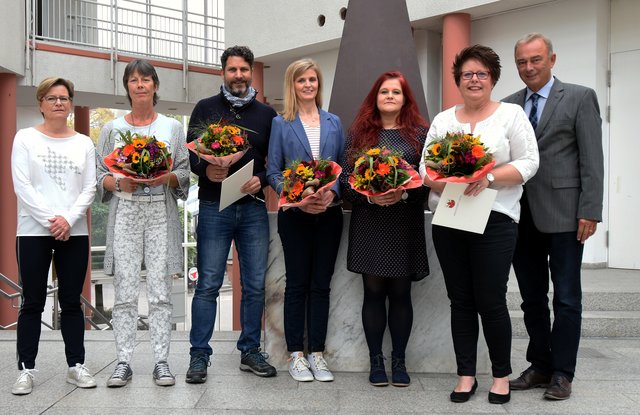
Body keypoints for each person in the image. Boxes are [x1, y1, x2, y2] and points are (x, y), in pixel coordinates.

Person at [420, 45, 539, 404]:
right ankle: (466, 375)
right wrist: (451, 180)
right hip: (450, 217)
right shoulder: (443, 120)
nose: (474, 80)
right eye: (467, 74)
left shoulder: (511, 115)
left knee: (491, 299)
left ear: (493, 79)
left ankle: (500, 375)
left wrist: (487, 178)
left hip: (496, 219)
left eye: (481, 74)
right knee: (461, 300)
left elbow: (530, 162)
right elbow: (427, 169)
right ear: (458, 80)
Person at [504, 33, 604, 401]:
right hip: (519, 214)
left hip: (565, 214)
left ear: (552, 59)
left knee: (566, 297)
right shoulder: (510, 105)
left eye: (535, 60)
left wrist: (590, 210)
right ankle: (540, 365)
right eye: (521, 62)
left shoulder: (579, 97)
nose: (528, 68)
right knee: (531, 296)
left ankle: (563, 372)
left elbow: (592, 158)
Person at [185, 45, 277, 383]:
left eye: (243, 70)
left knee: (254, 285)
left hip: (252, 209)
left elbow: (274, 163)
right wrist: (206, 171)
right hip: (213, 207)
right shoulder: (205, 108)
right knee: (208, 284)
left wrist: (262, 180)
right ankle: (198, 356)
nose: (238, 75)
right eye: (232, 69)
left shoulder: (267, 115)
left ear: (251, 72)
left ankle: (250, 350)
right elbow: (192, 154)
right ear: (222, 72)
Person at [96, 60, 190, 387]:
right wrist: (117, 183)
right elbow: (100, 175)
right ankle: (123, 360)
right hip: (126, 211)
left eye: (145, 80)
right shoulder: (111, 129)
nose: (140, 85)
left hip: (159, 213)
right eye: (133, 80)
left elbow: (183, 172)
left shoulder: (171, 128)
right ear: (127, 87)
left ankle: (161, 360)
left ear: (155, 86)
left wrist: (167, 177)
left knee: (161, 291)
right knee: (124, 290)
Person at [340, 71, 429, 388]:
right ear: (375, 98)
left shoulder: (419, 135)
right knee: (373, 293)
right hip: (369, 222)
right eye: (384, 92)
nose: (390, 96)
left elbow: (426, 182)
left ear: (405, 98)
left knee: (402, 293)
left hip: (404, 222)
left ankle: (400, 361)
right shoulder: (358, 136)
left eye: (396, 92)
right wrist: (370, 196)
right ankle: (376, 361)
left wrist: (403, 192)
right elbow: (343, 182)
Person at [10, 76, 97, 395]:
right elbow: (22, 185)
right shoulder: (25, 138)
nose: (59, 102)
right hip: (32, 231)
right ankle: (25, 369)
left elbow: (89, 187)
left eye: (64, 97)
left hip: (74, 232)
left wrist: (69, 219)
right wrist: (51, 220)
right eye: (52, 97)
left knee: (72, 301)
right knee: (31, 301)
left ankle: (76, 366)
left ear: (71, 104)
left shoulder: (83, 143)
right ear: (41, 104)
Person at [266, 59, 344, 382]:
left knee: (321, 285)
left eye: (312, 79)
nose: (308, 85)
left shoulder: (335, 122)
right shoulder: (281, 124)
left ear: (318, 84)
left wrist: (331, 194)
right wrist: (297, 196)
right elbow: (273, 170)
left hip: (329, 214)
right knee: (297, 285)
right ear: (292, 85)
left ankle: (318, 354)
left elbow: (341, 168)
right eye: (301, 80)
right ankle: (296, 354)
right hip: (295, 216)